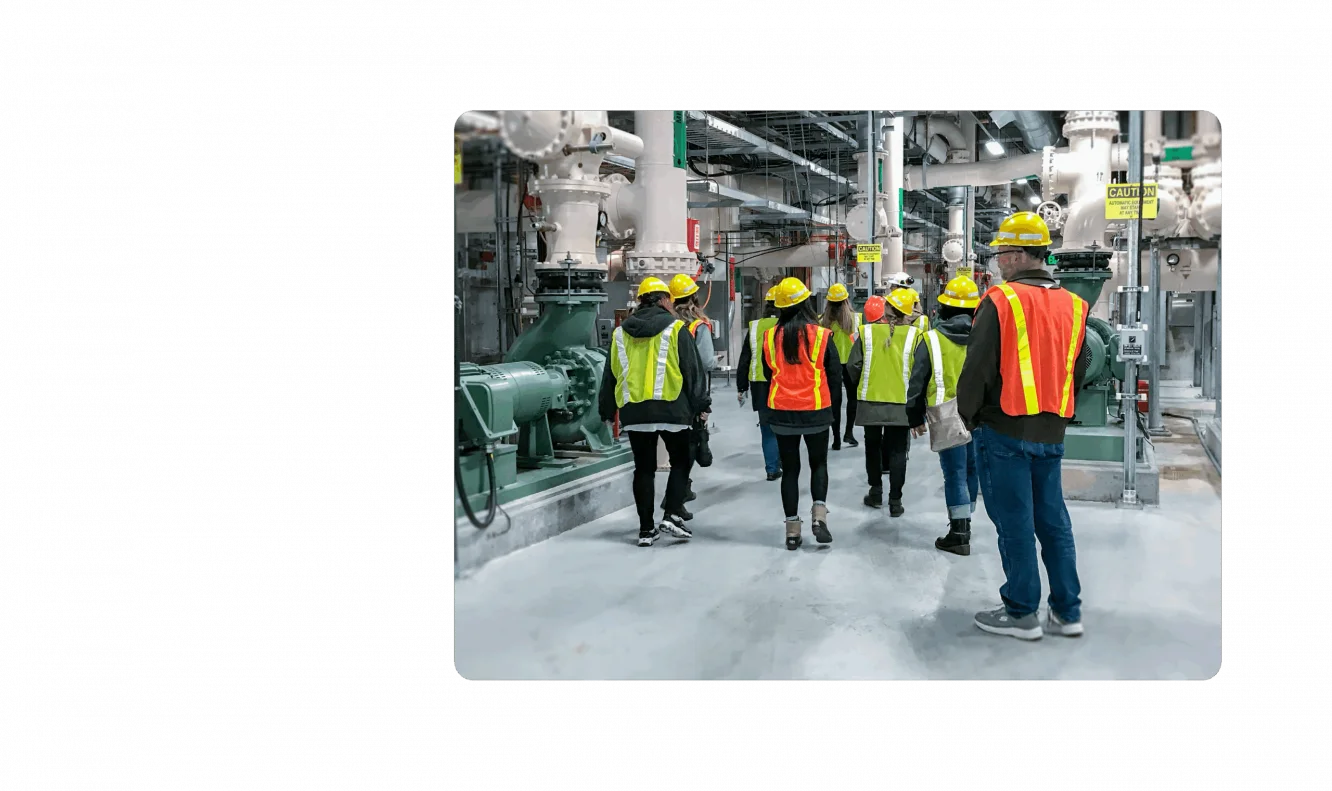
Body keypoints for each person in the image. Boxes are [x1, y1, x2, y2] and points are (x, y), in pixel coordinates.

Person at [958, 211, 1090, 640]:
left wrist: (969, 417)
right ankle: (1068, 612)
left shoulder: (1001, 300)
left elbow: (976, 369)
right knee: (1053, 521)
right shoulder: (1074, 304)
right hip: (1053, 429)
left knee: (1014, 522)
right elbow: (1082, 363)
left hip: (1004, 430)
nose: (997, 262)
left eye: (1000, 255)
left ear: (1015, 256)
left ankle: (1020, 612)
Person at [598, 277, 712, 547]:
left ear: (640, 301)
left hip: (635, 411)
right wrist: (701, 405)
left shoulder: (619, 333)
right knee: (682, 462)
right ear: (663, 300)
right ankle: (671, 514)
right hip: (673, 408)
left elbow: (610, 376)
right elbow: (692, 370)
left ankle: (646, 529)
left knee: (644, 469)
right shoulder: (675, 329)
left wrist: (606, 411)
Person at [760, 277, 840, 550]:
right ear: (806, 303)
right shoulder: (821, 336)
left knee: (790, 470)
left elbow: (766, 373)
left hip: (782, 412)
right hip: (816, 410)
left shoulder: (770, 337)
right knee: (819, 464)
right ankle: (819, 517)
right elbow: (834, 375)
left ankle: (792, 532)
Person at [906, 274, 981, 555]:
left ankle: (959, 531)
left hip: (946, 415)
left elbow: (917, 380)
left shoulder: (932, 339)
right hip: (981, 415)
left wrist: (914, 417)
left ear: (944, 308)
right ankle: (966, 521)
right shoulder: (984, 338)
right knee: (972, 470)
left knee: (955, 474)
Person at [847, 288, 922, 517]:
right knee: (898, 451)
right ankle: (895, 502)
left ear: (887, 309)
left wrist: (861, 386)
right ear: (908, 313)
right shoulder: (915, 335)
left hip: (870, 401)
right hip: (902, 403)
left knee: (872, 446)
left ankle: (876, 491)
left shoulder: (866, 333)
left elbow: (853, 366)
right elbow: (920, 372)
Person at [666, 273, 716, 516]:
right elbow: (706, 361)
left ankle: (683, 489)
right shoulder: (699, 326)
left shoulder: (668, 325)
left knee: (679, 446)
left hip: (668, 390)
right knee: (690, 446)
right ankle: (676, 497)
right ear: (695, 299)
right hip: (692, 393)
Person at [737, 287, 782, 481]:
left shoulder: (755, 326)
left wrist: (741, 387)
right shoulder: (787, 324)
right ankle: (784, 463)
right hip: (784, 382)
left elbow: (744, 358)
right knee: (785, 425)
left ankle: (772, 469)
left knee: (767, 427)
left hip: (759, 384)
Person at [819, 283, 860, 451]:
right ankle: (848, 433)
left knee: (834, 402)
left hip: (830, 365)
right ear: (846, 301)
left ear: (828, 302)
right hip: (852, 363)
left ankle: (835, 438)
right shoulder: (856, 319)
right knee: (852, 400)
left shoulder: (822, 320)